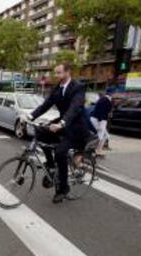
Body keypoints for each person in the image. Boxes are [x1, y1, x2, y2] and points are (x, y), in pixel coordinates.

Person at [25, 63, 93, 204]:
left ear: (68, 72)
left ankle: (63, 188)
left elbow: (74, 108)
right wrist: (30, 117)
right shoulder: (57, 88)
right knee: (40, 133)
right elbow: (45, 105)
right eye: (55, 73)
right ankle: (51, 166)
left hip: (76, 128)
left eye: (59, 73)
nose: (56, 76)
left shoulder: (78, 88)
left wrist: (62, 123)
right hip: (62, 124)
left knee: (60, 152)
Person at [90, 92, 113, 156]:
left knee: (105, 135)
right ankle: (95, 150)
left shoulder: (102, 99)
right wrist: (101, 121)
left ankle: (98, 150)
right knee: (101, 136)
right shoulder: (106, 101)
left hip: (97, 119)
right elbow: (103, 111)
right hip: (100, 120)